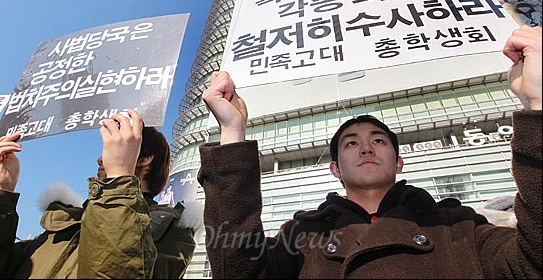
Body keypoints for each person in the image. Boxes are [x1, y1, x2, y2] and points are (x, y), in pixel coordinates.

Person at [198, 25, 542, 278]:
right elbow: (237, 270)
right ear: (335, 168)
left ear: (399, 160)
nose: (365, 146)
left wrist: (538, 102)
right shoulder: (302, 236)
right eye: (351, 142)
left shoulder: (459, 227)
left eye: (379, 140)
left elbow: (532, 261)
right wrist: (232, 130)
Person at [0, 109, 198, 279]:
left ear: (143, 159)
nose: (100, 159)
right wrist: (0, 192)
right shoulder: (63, 222)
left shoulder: (173, 230)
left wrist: (119, 178)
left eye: (111, 148)